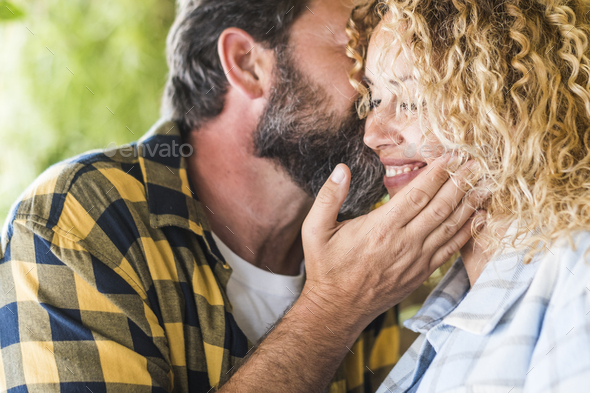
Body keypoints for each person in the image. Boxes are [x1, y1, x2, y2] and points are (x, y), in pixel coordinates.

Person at [0, 0, 483, 392]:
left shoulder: (373, 246)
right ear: (248, 64)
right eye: (358, 52)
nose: (384, 89)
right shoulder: (75, 222)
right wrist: (334, 310)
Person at [347, 0, 590, 391]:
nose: (372, 134)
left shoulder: (577, 275)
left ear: (512, 104)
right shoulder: (452, 304)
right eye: (375, 98)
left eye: (411, 100)